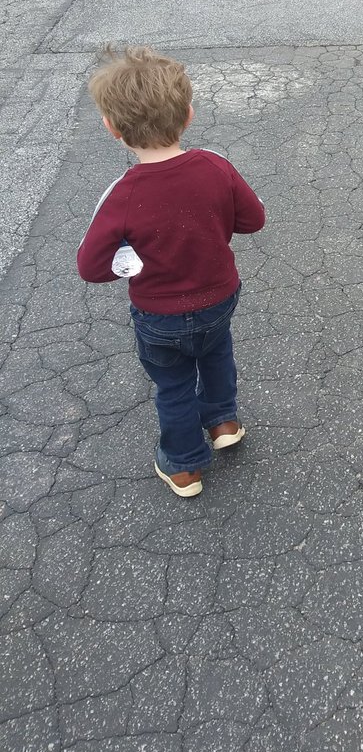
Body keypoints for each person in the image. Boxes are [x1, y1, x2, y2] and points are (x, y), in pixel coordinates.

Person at [77, 46, 265, 497]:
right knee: (216, 354)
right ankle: (223, 421)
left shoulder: (122, 196)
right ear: (188, 114)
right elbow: (253, 220)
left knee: (173, 383)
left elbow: (91, 266)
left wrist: (130, 263)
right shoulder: (216, 167)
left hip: (157, 315)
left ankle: (182, 466)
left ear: (112, 129)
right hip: (219, 297)